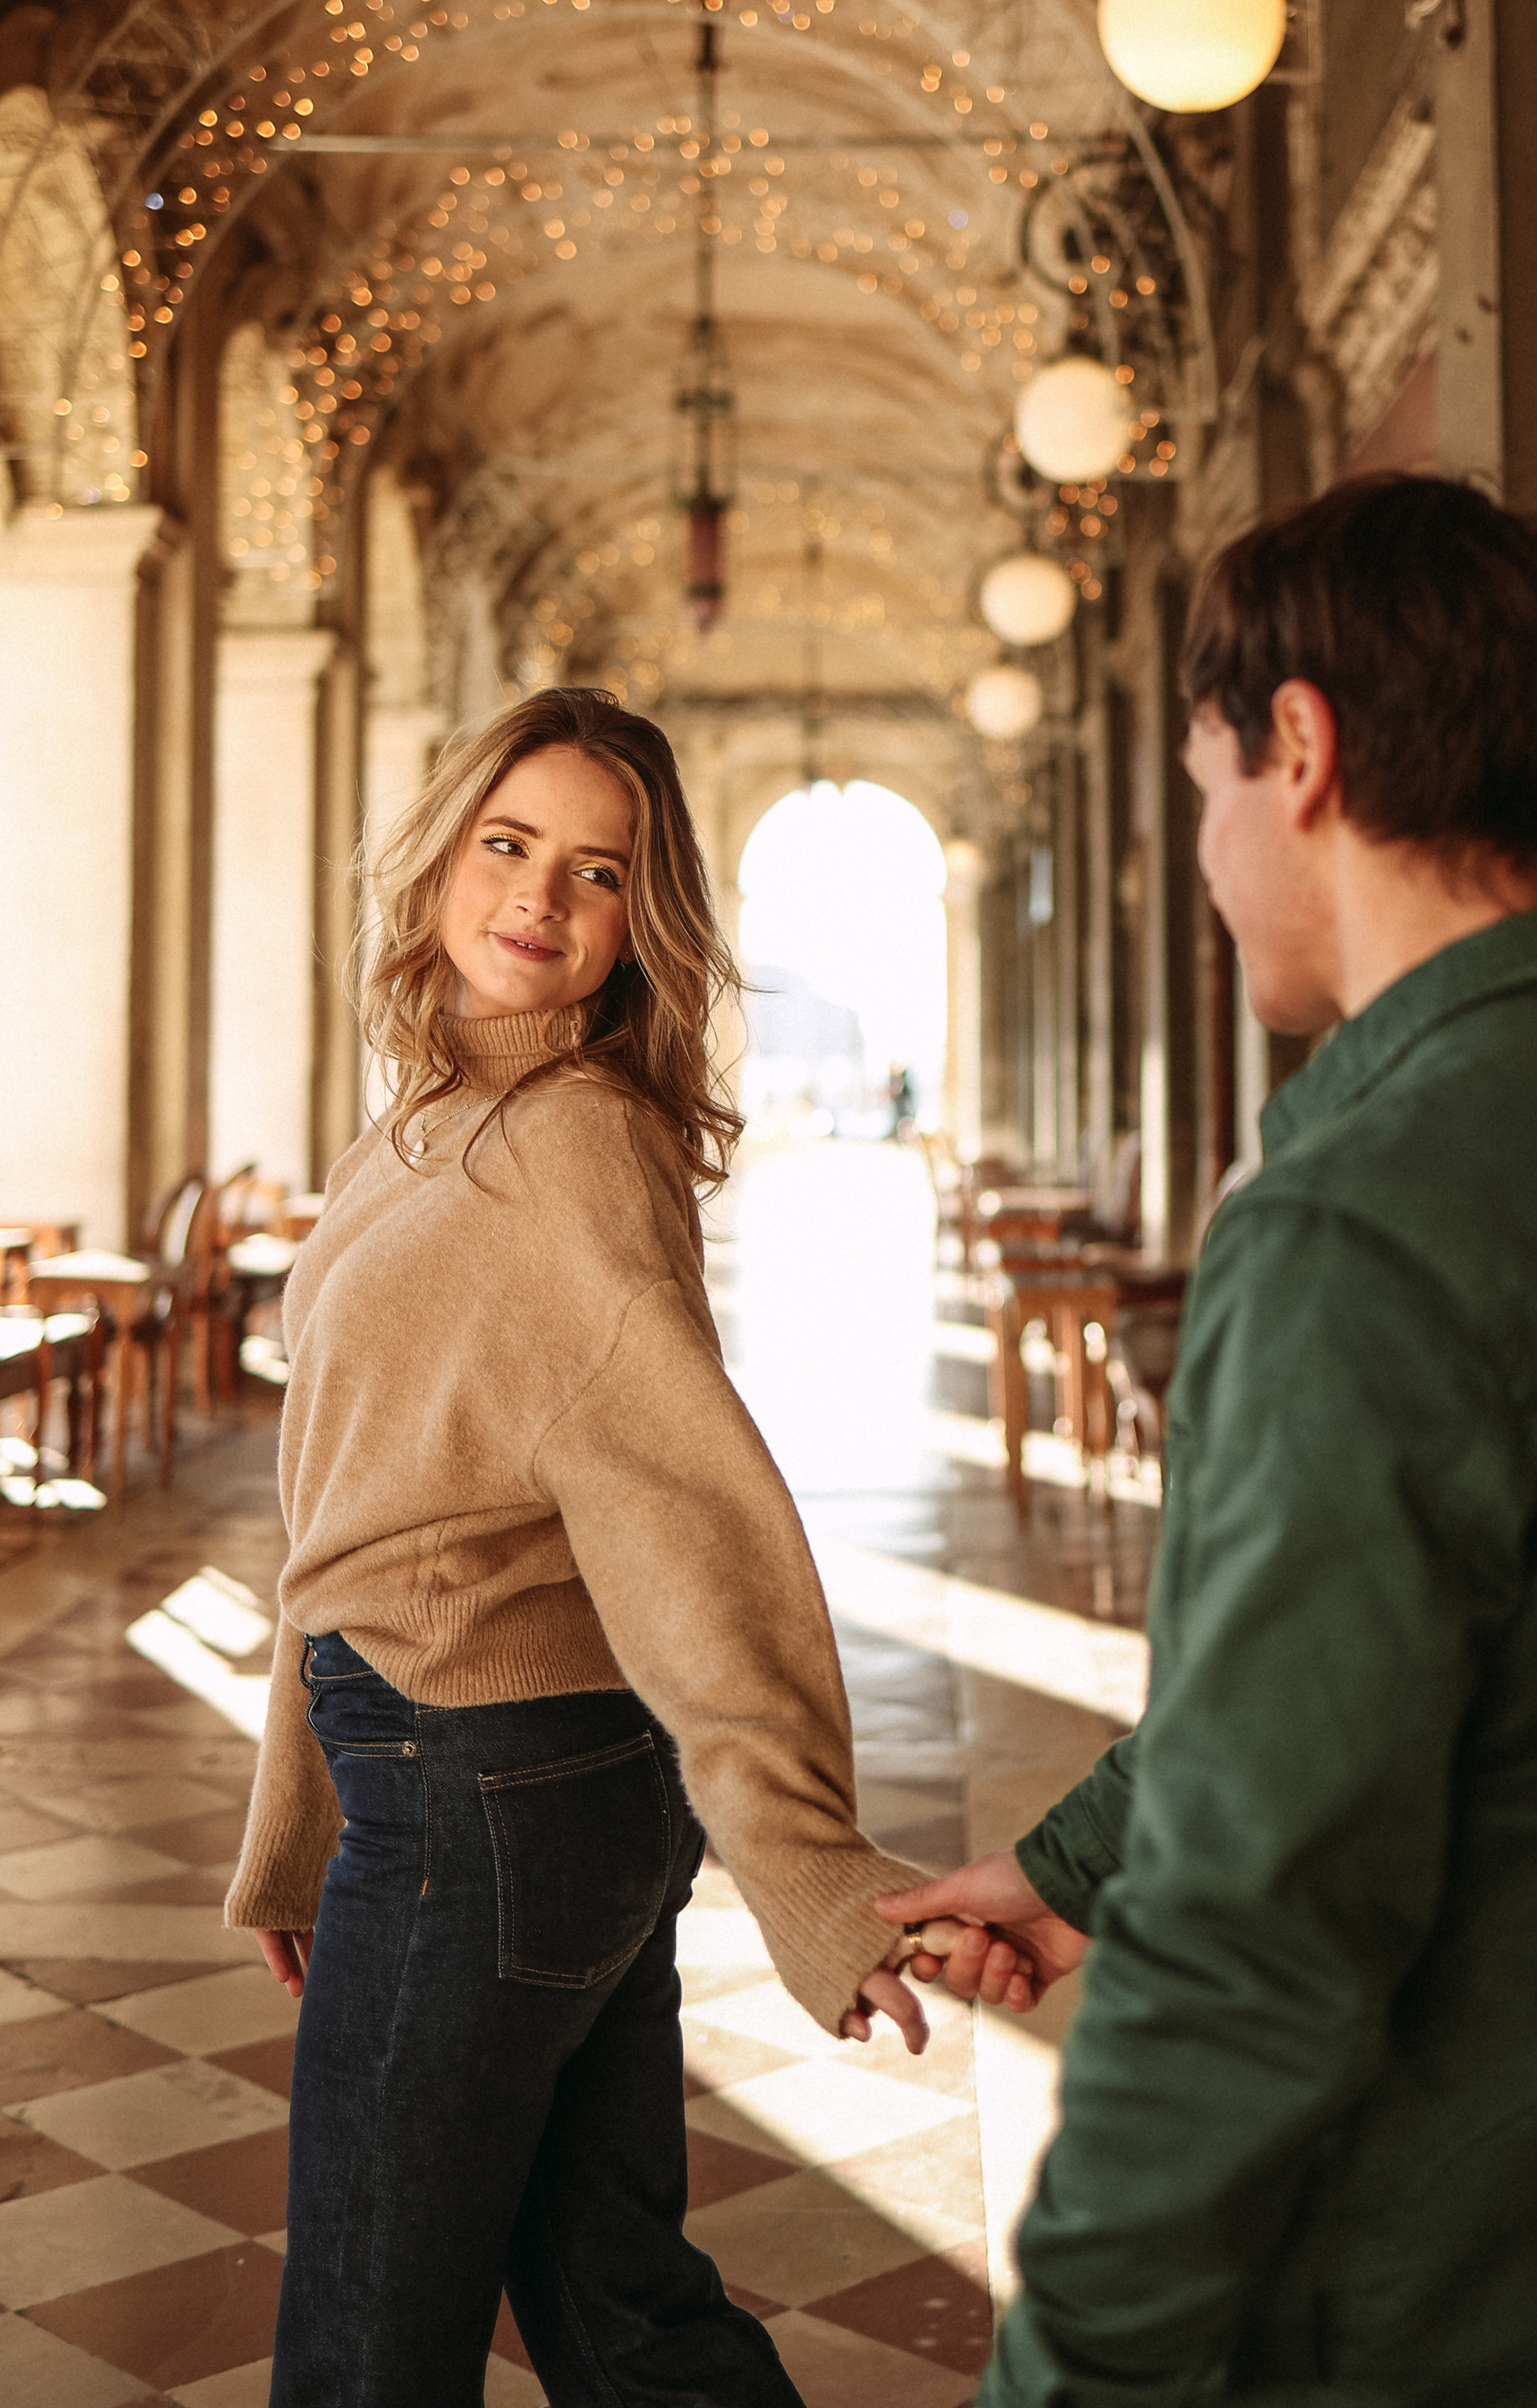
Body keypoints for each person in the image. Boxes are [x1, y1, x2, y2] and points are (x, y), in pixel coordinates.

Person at [880, 474, 1537, 2408]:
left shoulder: (1359, 1219)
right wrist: (1075, 1862)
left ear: (1295, 751)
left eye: (1205, 788)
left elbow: (1251, 1938)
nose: (1208, 857)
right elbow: (1452, 1679)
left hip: (1405, 2303)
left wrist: (1070, 2370)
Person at [226, 687, 929, 2408]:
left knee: (367, 2349)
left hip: (482, 1795)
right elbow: (347, 1505)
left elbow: (694, 1517)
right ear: (442, 856)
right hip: (510, 1784)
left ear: (639, 923)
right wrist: (296, 1823)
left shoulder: (569, 1144)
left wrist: (809, 1868)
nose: (539, 896)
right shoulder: (428, 1118)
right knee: (621, 2320)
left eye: (597, 871)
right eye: (508, 843)